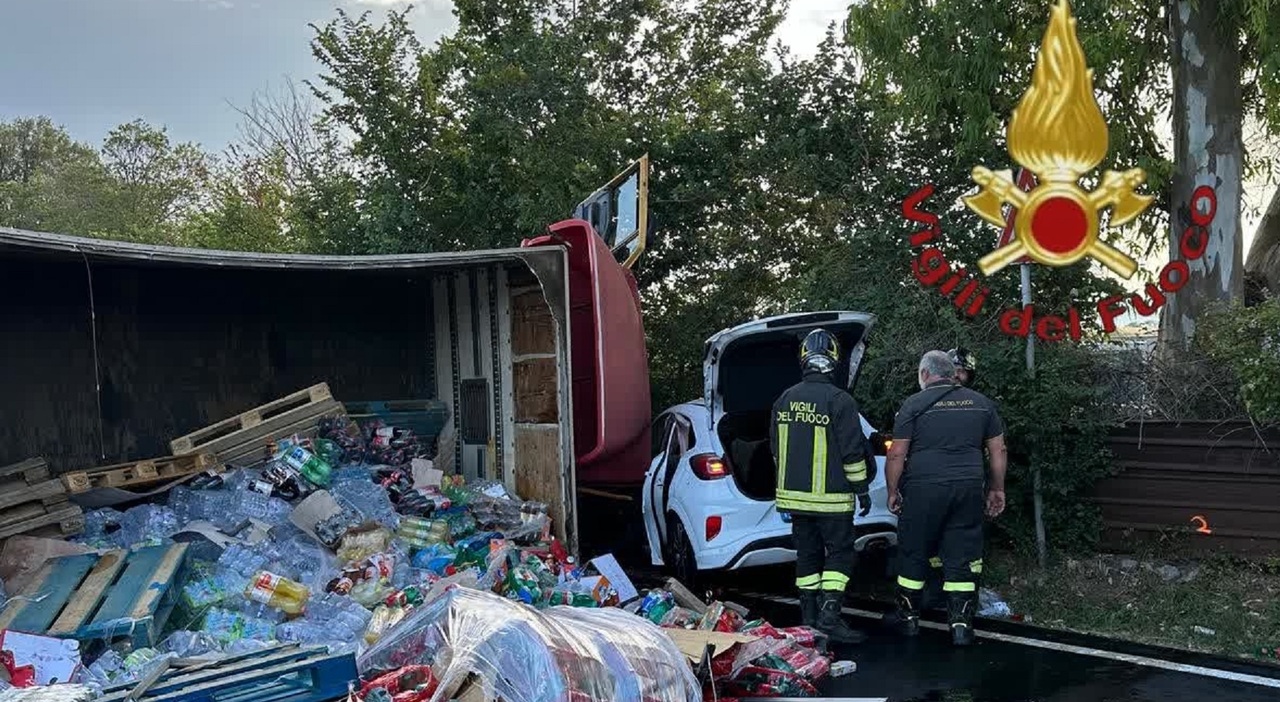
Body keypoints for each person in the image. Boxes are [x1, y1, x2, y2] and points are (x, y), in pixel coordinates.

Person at [884, 350, 1007, 646]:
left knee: (913, 550)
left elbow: (897, 453)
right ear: (952, 373)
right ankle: (962, 625)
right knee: (962, 554)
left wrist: (892, 491)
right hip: (967, 487)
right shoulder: (981, 404)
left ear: (925, 374)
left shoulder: (913, 403)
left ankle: (909, 619)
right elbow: (998, 451)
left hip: (923, 489)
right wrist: (997, 488)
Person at [770, 328, 875, 645]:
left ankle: (810, 619)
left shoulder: (783, 399)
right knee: (841, 556)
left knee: (807, 557)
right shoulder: (840, 400)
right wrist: (862, 490)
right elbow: (853, 452)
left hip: (795, 502)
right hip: (832, 501)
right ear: (833, 359)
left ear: (804, 359)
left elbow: (776, 451)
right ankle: (830, 617)